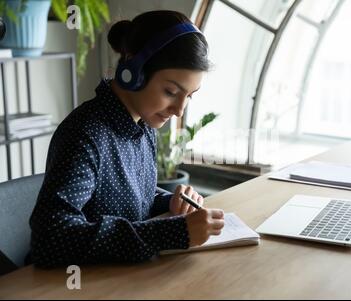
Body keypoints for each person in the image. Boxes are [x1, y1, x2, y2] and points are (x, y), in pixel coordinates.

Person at [28, 10, 225, 267]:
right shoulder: (86, 134)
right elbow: (51, 238)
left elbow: (128, 200)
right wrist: (174, 233)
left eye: (190, 96)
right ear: (133, 72)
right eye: (171, 91)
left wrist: (170, 202)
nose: (179, 110)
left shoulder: (143, 126)